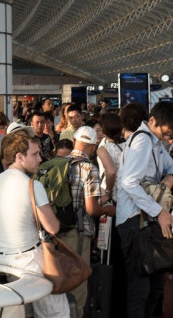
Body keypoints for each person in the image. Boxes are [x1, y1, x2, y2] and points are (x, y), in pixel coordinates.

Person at [0, 130, 67, 318]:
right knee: (56, 312)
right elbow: (52, 227)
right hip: (29, 260)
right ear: (19, 157)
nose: (40, 159)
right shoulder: (32, 185)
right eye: (35, 154)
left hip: (1, 260)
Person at [115, 101, 173, 318]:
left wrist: (170, 179)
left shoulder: (154, 140)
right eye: (166, 133)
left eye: (171, 135)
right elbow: (128, 183)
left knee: (155, 286)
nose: (168, 139)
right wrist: (159, 212)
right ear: (152, 121)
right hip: (135, 221)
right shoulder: (143, 141)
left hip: (146, 220)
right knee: (141, 288)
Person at [66, 126, 106, 317]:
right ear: (93, 147)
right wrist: (107, 209)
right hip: (80, 233)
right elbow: (92, 209)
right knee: (78, 284)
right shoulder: (89, 168)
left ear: (74, 142)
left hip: (56, 233)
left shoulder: (58, 162)